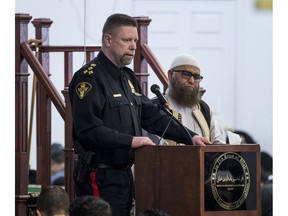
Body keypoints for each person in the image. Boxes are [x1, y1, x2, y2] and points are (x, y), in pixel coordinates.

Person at [68, 13, 211, 216]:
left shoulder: (127, 77)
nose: (134, 46)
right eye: (127, 40)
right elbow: (88, 130)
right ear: (108, 40)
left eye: (135, 40)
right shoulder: (89, 78)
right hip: (99, 173)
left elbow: (151, 115)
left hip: (125, 174)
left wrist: (191, 136)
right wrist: (131, 141)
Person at [151, 54, 226, 145]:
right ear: (170, 75)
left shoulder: (203, 108)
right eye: (186, 74)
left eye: (196, 77)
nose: (191, 81)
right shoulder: (155, 107)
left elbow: (219, 143)